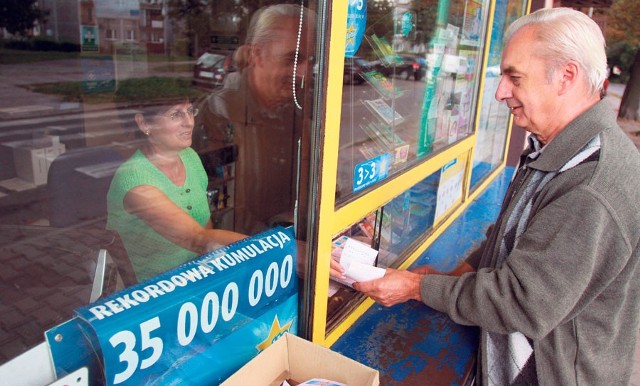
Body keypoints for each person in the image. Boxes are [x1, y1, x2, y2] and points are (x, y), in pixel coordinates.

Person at [352, 8, 640, 385]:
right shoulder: (564, 147)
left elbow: (521, 301)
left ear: (566, 77)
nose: (501, 92)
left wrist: (417, 287)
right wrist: (461, 273)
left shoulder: (588, 184)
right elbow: (514, 231)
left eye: (514, 77)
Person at [194, 4, 315, 236]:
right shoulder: (219, 114)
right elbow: (217, 213)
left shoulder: (299, 108)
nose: (305, 73)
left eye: (310, 60)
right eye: (293, 59)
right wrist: (288, 250)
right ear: (257, 55)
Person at [107, 100, 246, 282]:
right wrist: (275, 249)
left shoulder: (189, 157)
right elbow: (198, 239)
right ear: (144, 123)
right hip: (157, 290)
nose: (189, 122)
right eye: (175, 115)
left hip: (196, 274)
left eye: (190, 111)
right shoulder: (134, 181)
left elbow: (204, 224)